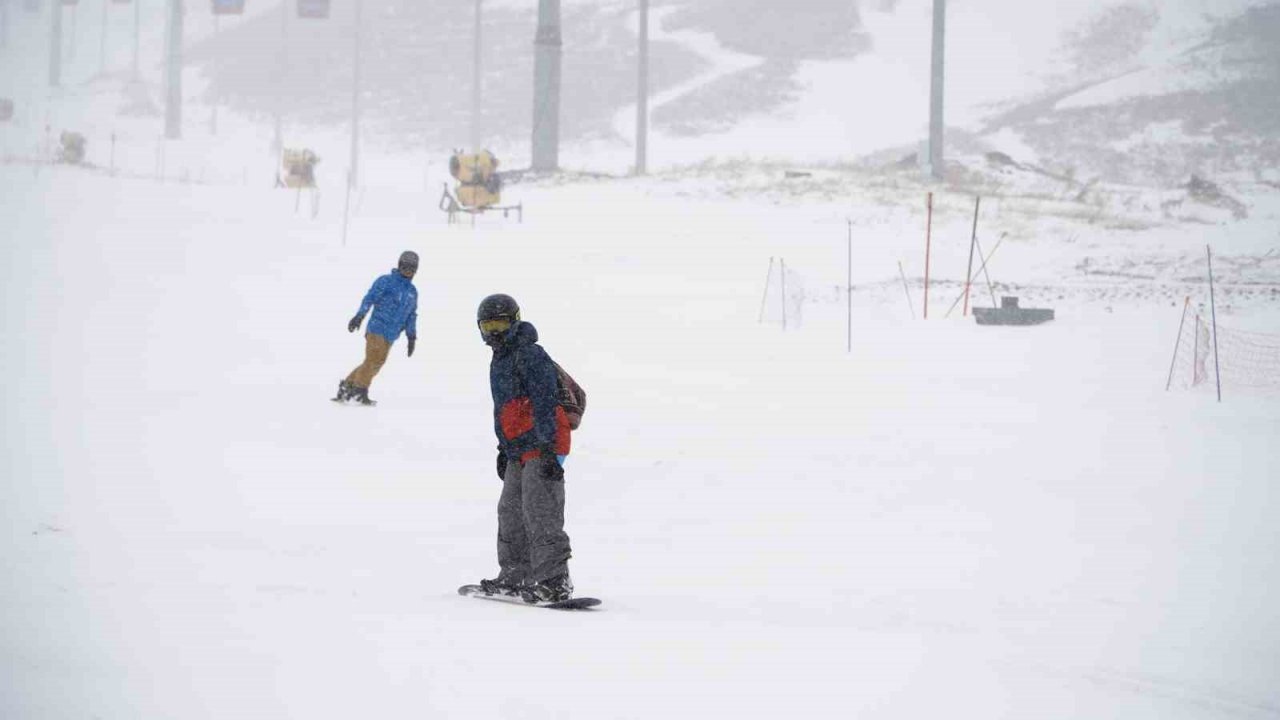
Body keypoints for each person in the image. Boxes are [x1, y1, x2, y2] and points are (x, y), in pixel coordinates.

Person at [475, 294, 574, 603]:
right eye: (488, 325)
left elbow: (544, 400)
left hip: (544, 442)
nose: (494, 333)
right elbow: (502, 409)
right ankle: (516, 574)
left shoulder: (530, 354)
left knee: (540, 510)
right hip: (519, 447)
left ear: (514, 321)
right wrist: (503, 449)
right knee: (510, 511)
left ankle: (554, 580)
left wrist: (547, 449)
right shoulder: (499, 359)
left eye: (500, 324)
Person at [335, 251, 419, 405]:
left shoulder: (412, 292)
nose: (408, 272)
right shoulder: (385, 281)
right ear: (399, 266)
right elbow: (370, 298)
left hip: (391, 334)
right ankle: (359, 391)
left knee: (375, 362)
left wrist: (411, 336)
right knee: (373, 360)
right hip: (377, 328)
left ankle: (347, 387)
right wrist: (359, 316)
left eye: (412, 269)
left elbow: (411, 315)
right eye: (405, 268)